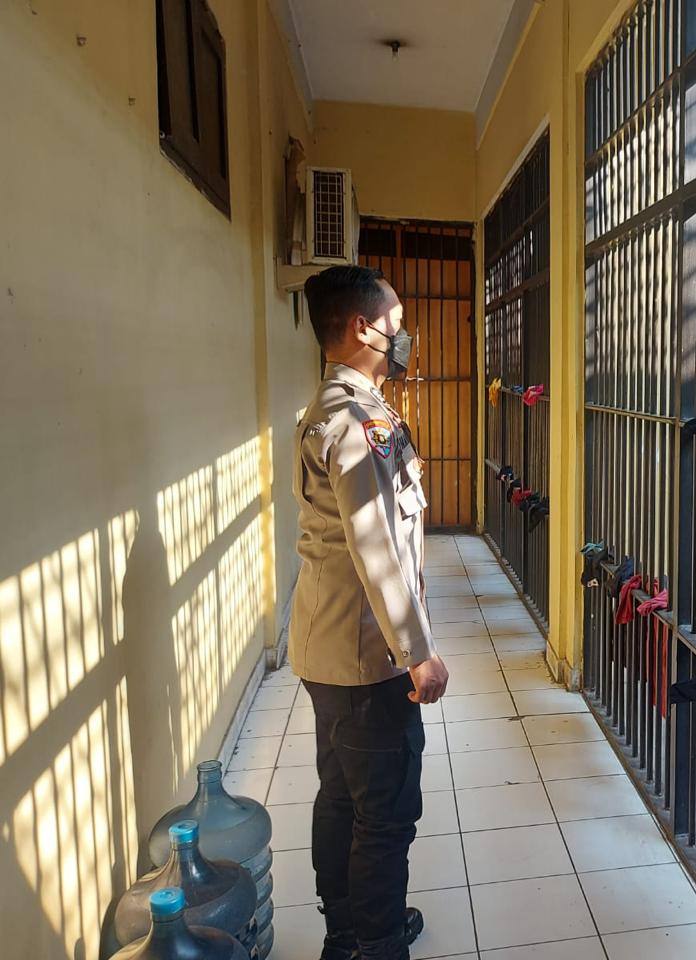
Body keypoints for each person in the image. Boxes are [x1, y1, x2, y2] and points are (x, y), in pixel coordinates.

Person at [290, 265, 450, 960]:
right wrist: (417, 651)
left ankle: (347, 935)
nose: (404, 336)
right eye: (397, 323)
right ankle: (376, 946)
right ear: (363, 328)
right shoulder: (359, 423)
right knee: (383, 815)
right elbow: (375, 544)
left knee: (341, 797)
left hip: (327, 648)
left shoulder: (326, 407)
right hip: (367, 656)